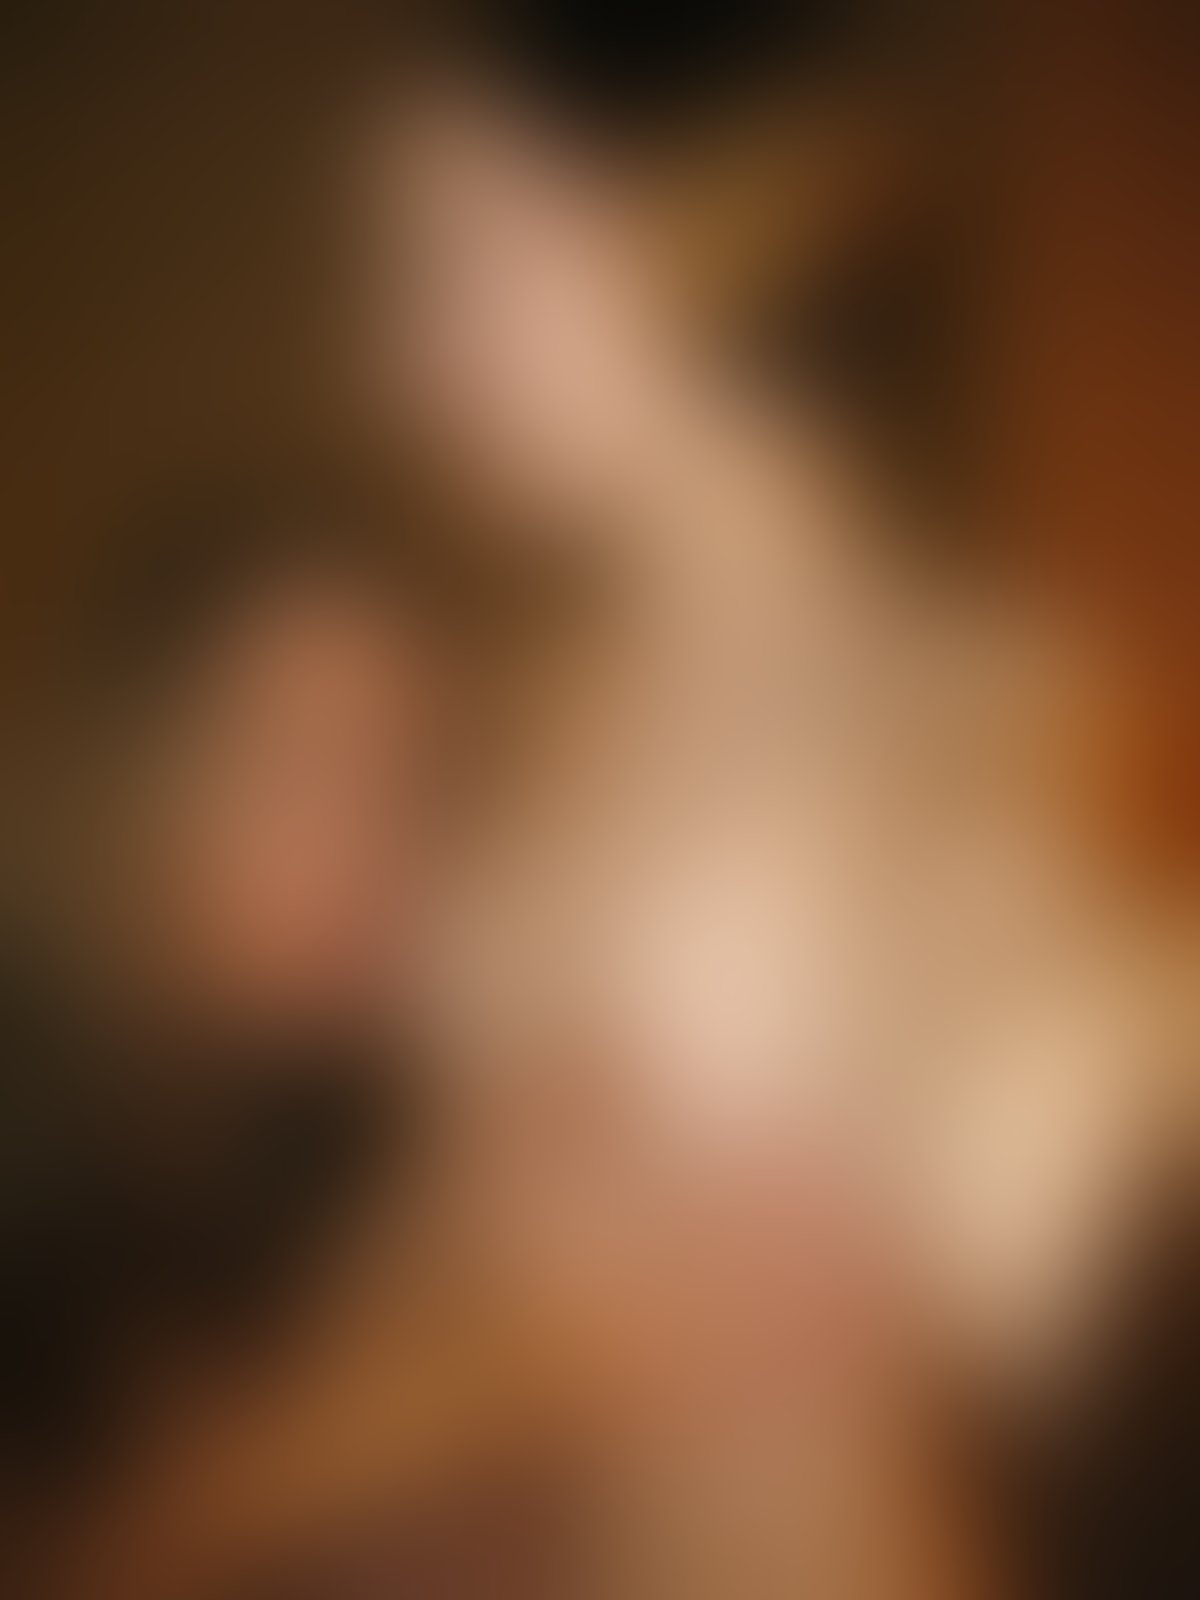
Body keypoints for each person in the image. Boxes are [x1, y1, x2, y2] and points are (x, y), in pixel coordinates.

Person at [337, 8, 1193, 1594]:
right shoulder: (572, 689)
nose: (395, 354)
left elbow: (689, 1341)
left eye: (450, 254)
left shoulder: (868, 711)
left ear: (720, 212)